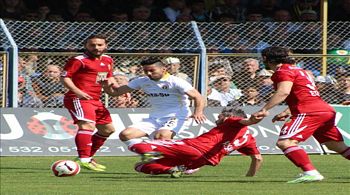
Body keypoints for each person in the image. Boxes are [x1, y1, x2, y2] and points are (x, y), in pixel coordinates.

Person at [254, 46, 350, 184]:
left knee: (285, 142)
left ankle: (311, 173)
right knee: (336, 145)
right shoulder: (300, 70)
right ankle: (311, 172)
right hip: (324, 110)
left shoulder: (283, 71)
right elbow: (303, 94)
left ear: (266, 59)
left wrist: (264, 109)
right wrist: (287, 111)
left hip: (309, 112)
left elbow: (283, 92)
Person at [129, 107, 263, 178]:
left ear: (229, 116)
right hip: (203, 161)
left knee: (138, 144)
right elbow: (257, 159)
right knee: (140, 166)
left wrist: (253, 119)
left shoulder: (231, 121)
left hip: (193, 147)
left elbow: (247, 121)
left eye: (221, 115)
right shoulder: (249, 138)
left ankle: (151, 154)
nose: (218, 117)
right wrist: (249, 177)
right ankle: (175, 169)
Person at [103, 57, 206, 146]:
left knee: (161, 136)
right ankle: (148, 153)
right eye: (146, 71)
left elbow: (198, 97)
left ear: (164, 69)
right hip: (155, 117)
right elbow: (116, 92)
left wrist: (198, 112)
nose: (148, 73)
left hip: (177, 116)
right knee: (126, 135)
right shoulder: (142, 81)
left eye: (152, 70)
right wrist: (105, 85)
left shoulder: (175, 81)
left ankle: (179, 159)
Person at [61, 34, 116, 172]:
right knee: (87, 125)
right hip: (78, 98)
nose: (96, 47)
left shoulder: (108, 60)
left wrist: (118, 89)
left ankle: (87, 157)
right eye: (92, 45)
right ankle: (84, 159)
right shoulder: (79, 60)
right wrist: (77, 91)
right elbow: (64, 77)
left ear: (105, 46)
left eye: (99, 45)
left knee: (107, 129)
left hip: (95, 99)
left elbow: (109, 79)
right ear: (86, 45)